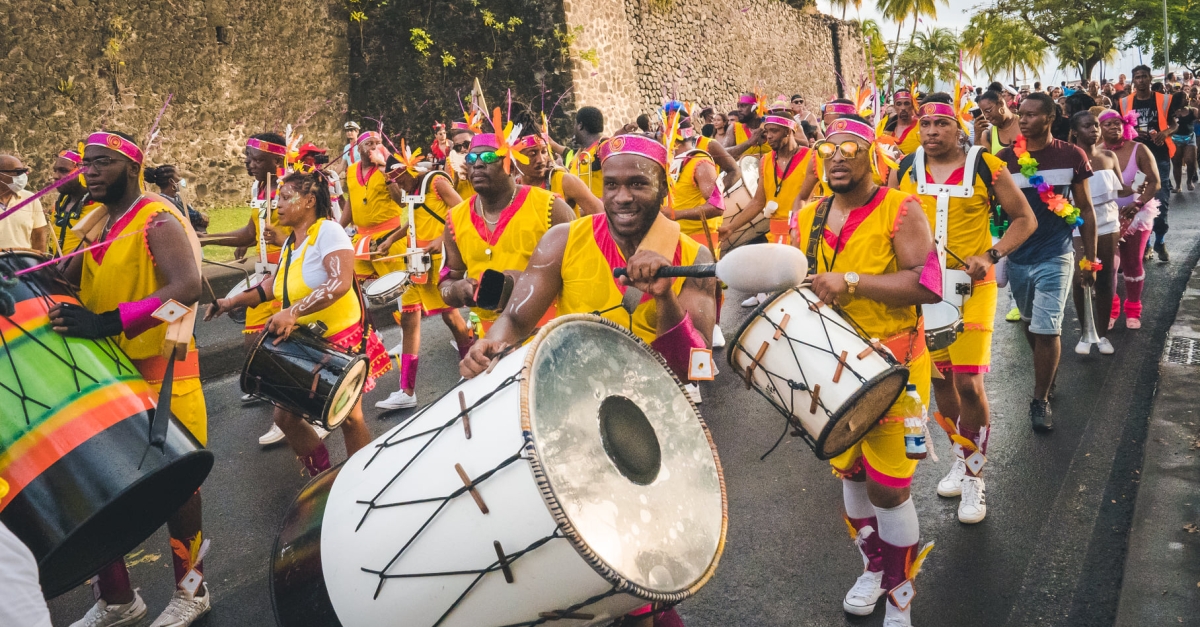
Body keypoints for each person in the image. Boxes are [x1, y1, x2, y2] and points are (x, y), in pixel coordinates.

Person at [457, 134, 709, 627]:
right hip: (572, 422)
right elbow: (516, 316)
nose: (620, 196)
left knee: (644, 577)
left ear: (663, 188)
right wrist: (491, 344)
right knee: (592, 568)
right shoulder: (563, 241)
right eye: (611, 184)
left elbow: (695, 366)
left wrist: (664, 299)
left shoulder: (693, 255)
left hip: (657, 429)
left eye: (638, 183)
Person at [52, 131, 210, 627]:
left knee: (180, 495)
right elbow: (65, 281)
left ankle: (193, 590)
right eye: (84, 164)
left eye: (100, 163)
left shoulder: (155, 220)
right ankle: (118, 599)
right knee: (100, 492)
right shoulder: (97, 224)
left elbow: (186, 291)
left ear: (131, 167)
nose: (88, 172)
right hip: (109, 381)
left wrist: (109, 322)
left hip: (166, 378)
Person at [790, 116, 940, 626]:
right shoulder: (808, 216)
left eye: (849, 146)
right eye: (828, 147)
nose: (836, 155)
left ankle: (901, 594)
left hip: (894, 368)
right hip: (830, 370)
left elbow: (926, 284)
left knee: (889, 488)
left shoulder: (902, 209)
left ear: (871, 154)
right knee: (849, 473)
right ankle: (874, 568)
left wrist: (851, 280)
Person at [890, 97, 1036, 524]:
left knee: (969, 383)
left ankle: (975, 475)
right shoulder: (903, 167)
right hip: (925, 290)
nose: (931, 131)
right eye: (925, 123)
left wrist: (990, 254)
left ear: (959, 128)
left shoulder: (985, 164)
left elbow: (1024, 219)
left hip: (973, 288)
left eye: (941, 123)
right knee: (941, 380)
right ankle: (960, 453)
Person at [205, 168, 386, 475]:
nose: (278, 205)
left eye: (286, 198)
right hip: (308, 341)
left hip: (340, 338)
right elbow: (271, 287)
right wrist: (230, 302)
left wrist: (293, 311)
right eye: (278, 198)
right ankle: (323, 476)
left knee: (350, 417)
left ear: (309, 201)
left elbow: (340, 281)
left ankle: (361, 481)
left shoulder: (329, 231)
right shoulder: (292, 242)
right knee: (286, 418)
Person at [996, 93, 1097, 432]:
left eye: (1031, 115)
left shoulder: (1072, 155)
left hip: (1057, 252)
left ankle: (1040, 399)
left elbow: (1084, 209)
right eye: (1020, 114)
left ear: (1050, 118)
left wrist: (1090, 256)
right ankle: (1047, 374)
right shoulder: (1004, 159)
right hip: (1019, 255)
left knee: (1047, 325)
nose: (1022, 120)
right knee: (1029, 322)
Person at [201, 134, 295, 430]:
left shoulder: (292, 188)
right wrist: (205, 239)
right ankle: (273, 393)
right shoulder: (258, 188)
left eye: (257, 160)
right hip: (265, 275)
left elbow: (317, 228)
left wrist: (286, 239)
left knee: (283, 345)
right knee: (252, 341)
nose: (250, 165)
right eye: (248, 159)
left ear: (277, 161)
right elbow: (250, 234)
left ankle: (289, 415)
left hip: (291, 275)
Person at [440, 130, 575, 337]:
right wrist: (458, 290)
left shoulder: (550, 207)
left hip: (551, 336)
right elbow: (448, 282)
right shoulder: (455, 219)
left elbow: (581, 274)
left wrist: (528, 285)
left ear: (510, 166)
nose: (477, 164)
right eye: (471, 158)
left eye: (489, 157)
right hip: (490, 343)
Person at [371, 158, 474, 411]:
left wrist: (442, 239)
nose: (400, 186)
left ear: (410, 170)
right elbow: (414, 221)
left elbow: (463, 211)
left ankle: (472, 371)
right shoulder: (413, 190)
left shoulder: (436, 182)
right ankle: (407, 390)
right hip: (415, 262)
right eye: (394, 182)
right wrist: (390, 239)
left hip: (437, 263)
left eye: (401, 179)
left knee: (451, 318)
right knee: (408, 320)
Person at [717, 111, 814, 307]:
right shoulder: (765, 160)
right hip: (775, 232)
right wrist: (731, 227)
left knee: (795, 293)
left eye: (774, 131)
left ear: (789, 131)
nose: (768, 136)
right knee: (775, 288)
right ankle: (764, 292)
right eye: (767, 131)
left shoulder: (811, 157)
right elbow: (757, 202)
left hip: (802, 230)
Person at [1099, 109, 1161, 330]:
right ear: (1100, 128)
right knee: (1108, 267)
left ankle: (1133, 309)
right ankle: (1111, 309)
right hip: (1106, 219)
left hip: (1136, 216)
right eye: (1108, 124)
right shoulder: (1096, 153)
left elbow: (1153, 182)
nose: (1114, 127)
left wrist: (1138, 203)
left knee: (1132, 264)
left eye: (1118, 123)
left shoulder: (1139, 149)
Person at [1069, 110, 1125, 356]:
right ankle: (1085, 332)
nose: (1094, 130)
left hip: (1109, 222)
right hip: (1078, 222)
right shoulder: (1068, 158)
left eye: (1095, 126)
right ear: (1074, 131)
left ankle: (1102, 334)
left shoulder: (1109, 156)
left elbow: (1120, 190)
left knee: (1106, 277)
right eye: (1087, 126)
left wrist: (1142, 191)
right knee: (1082, 276)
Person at [1118, 65, 1183, 262]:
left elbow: (1174, 123)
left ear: (1149, 78)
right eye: (1137, 77)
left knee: (1161, 200)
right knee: (1138, 198)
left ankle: (1160, 240)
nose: (1141, 80)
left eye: (1144, 76)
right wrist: (1134, 135)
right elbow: (1119, 127)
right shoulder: (1124, 102)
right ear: (1133, 81)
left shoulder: (1163, 100)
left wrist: (1165, 133)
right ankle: (1145, 244)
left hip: (1160, 157)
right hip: (1136, 159)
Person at [511, 122, 603, 217]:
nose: (541, 159)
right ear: (515, 158)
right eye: (533, 154)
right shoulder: (512, 190)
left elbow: (602, 215)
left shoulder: (564, 181)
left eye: (544, 152)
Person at [49, 148, 100, 256]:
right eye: (55, 170)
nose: (55, 176)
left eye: (63, 171)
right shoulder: (60, 204)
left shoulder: (101, 207)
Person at [0, 154, 47, 251]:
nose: (23, 176)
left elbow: (38, 238)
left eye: (24, 171)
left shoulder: (30, 199)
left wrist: (39, 263)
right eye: (18, 172)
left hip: (23, 263)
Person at [144, 165, 208, 233]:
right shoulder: (163, 201)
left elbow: (190, 212)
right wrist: (199, 217)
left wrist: (200, 217)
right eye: (179, 176)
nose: (181, 179)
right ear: (171, 181)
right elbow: (181, 217)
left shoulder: (178, 197)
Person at [564, 106, 607, 198]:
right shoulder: (580, 153)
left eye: (575, 124)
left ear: (580, 125)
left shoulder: (603, 147)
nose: (574, 129)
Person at [295, 143, 346, 220]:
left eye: (317, 154)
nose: (316, 158)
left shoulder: (331, 175)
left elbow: (341, 200)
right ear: (302, 159)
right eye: (312, 155)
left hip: (336, 222)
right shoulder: (297, 180)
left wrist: (351, 222)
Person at [725, 92, 770, 160]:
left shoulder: (769, 127)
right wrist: (750, 142)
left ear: (755, 108)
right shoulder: (734, 128)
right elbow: (722, 153)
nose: (739, 110)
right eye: (738, 106)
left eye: (743, 106)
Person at [1170, 97, 1196, 192]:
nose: (1187, 99)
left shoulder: (1193, 110)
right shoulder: (1172, 111)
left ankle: (1189, 181)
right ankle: (1178, 186)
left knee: (1190, 162)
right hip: (1175, 138)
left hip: (1189, 138)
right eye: (1184, 98)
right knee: (1176, 163)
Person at [883, 89, 921, 156]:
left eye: (906, 103)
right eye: (899, 104)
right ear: (894, 106)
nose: (903, 108)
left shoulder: (921, 126)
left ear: (912, 105)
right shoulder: (884, 127)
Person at [446, 126, 476, 199]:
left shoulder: (484, 159)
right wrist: (455, 180)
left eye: (466, 144)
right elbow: (447, 195)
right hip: (461, 205)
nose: (463, 149)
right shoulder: (450, 162)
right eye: (458, 147)